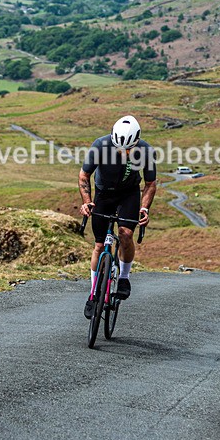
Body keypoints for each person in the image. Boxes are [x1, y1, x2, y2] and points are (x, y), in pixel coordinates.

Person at [78, 115, 157, 318]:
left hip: (128, 195)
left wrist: (145, 208)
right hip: (104, 194)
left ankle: (123, 277)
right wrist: (87, 201)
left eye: (128, 150)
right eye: (120, 149)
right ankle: (93, 293)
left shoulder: (145, 151)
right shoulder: (101, 145)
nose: (124, 153)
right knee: (98, 245)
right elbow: (84, 175)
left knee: (125, 234)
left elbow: (150, 184)